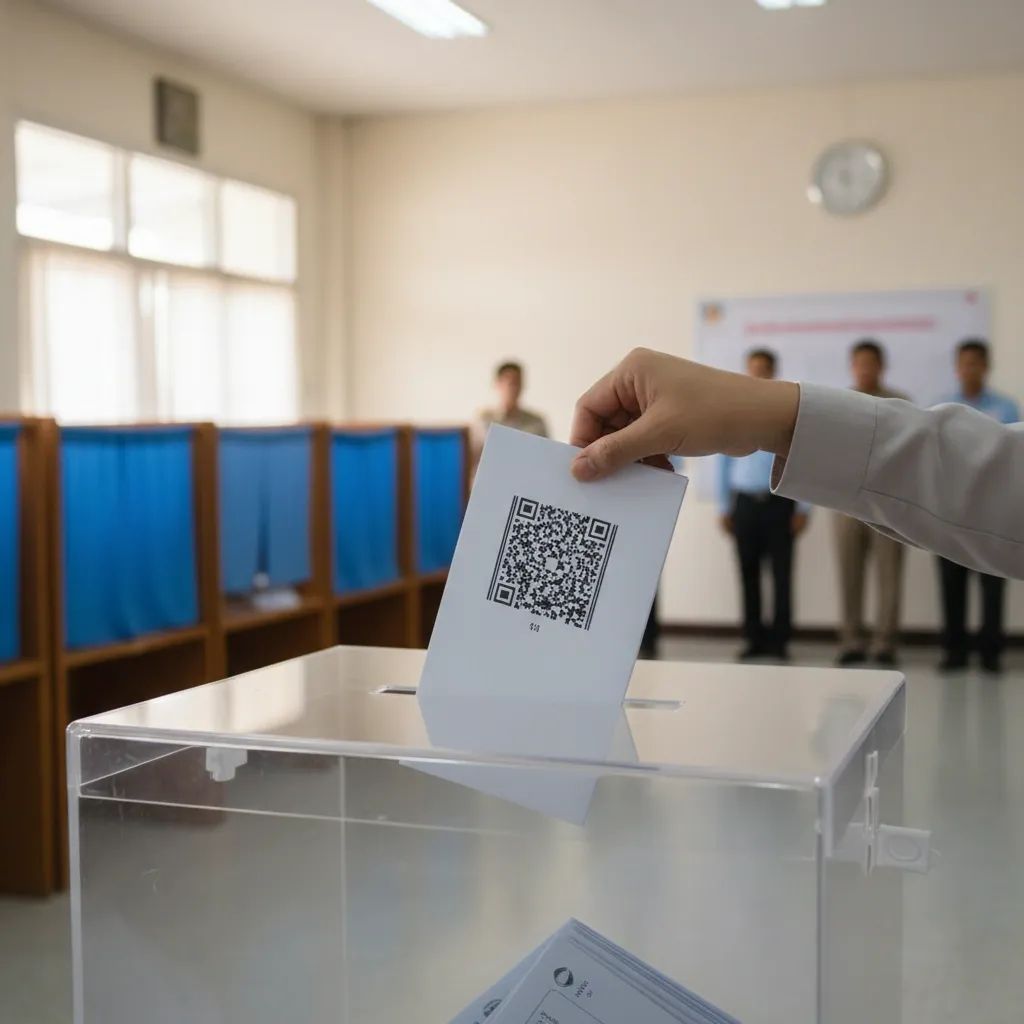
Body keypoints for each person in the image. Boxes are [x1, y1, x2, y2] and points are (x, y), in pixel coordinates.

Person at [569, 349, 1024, 583]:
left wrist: (774, 416)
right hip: (752, 501)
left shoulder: (904, 398)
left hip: (783, 504)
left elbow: (987, 474)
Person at [932, 339, 1020, 674]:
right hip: (951, 510)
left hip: (994, 510)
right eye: (964, 363)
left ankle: (990, 653)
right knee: (951, 583)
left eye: (976, 363)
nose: (970, 368)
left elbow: (1015, 459)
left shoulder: (1006, 408)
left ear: (986, 366)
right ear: (957, 367)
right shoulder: (942, 408)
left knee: (993, 583)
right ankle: (954, 651)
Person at [717, 349, 809, 662]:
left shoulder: (788, 412)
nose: (758, 373)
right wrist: (723, 507)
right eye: (753, 367)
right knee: (748, 572)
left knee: (782, 573)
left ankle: (780, 641)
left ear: (773, 371)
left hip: (780, 504)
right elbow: (722, 462)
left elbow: (802, 460)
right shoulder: (733, 412)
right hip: (744, 503)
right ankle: (753, 638)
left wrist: (803, 509)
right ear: (747, 370)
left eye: (764, 368)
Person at [832, 340, 909, 667]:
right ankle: (851, 640)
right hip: (847, 502)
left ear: (882, 366)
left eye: (871, 363)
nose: (865, 369)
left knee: (890, 574)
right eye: (859, 363)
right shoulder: (838, 403)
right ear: (852, 366)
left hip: (888, 503)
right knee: (848, 572)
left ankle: (885, 643)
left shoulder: (900, 404)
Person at [473, 361, 548, 460]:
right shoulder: (483, 419)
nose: (514, 388)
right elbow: (474, 454)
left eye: (518, 383)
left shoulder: (537, 422)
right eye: (510, 383)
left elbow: (546, 456)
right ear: (497, 384)